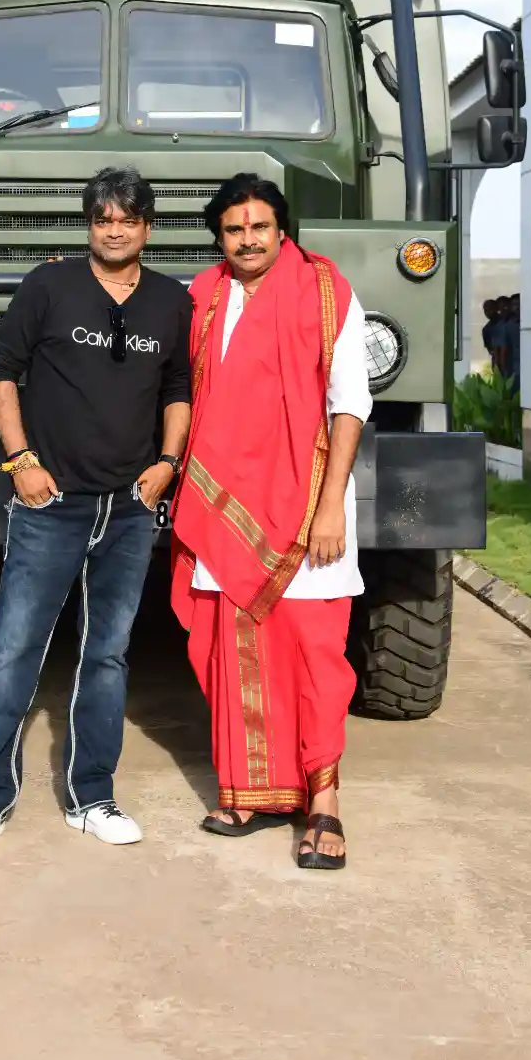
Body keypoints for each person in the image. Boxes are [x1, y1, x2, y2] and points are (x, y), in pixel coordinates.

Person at [0, 166, 194, 856]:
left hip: (130, 508)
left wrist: (167, 465)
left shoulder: (172, 302)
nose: (115, 229)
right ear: (90, 223)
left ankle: (94, 795)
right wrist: (22, 462)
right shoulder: (47, 286)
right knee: (14, 650)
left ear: (148, 227)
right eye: (103, 218)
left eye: (128, 218)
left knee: (106, 656)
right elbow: (2, 371)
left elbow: (179, 387)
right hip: (50, 504)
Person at [170, 173, 372, 871]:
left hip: (309, 507)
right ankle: (251, 791)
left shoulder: (325, 290)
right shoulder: (201, 298)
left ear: (282, 230)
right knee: (232, 649)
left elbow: (350, 403)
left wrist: (327, 506)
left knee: (315, 655)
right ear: (218, 238)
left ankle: (325, 802)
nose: (247, 239)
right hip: (223, 509)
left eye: (259, 226)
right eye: (233, 229)